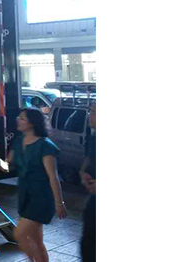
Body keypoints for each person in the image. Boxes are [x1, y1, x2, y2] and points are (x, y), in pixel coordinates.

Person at [8, 108, 67, 262]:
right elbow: (9, 162)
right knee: (37, 241)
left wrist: (59, 203)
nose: (18, 120)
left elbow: (53, 177)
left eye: (22, 118)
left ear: (32, 123)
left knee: (19, 234)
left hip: (41, 196)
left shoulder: (45, 145)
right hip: (25, 194)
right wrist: (1, 165)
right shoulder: (18, 142)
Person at [79, 103, 96, 262]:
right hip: (94, 198)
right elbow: (88, 158)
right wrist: (83, 172)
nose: (90, 115)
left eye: (94, 112)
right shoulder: (94, 137)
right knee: (88, 243)